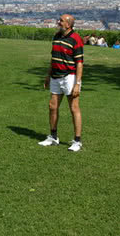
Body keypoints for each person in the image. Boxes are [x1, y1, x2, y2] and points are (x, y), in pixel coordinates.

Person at [39, 14, 84, 152]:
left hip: (69, 77)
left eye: (61, 21)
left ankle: (77, 141)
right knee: (52, 106)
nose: (59, 22)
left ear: (69, 25)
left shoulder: (76, 39)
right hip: (55, 76)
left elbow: (80, 64)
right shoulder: (57, 36)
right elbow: (53, 58)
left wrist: (77, 83)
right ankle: (53, 137)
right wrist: (48, 76)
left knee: (74, 108)